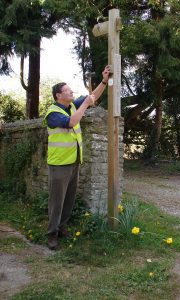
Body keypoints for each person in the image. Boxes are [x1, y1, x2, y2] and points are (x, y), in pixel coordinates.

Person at [44, 66, 110, 250]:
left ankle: (62, 227)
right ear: (58, 95)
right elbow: (72, 122)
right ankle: (52, 235)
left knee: (69, 198)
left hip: (73, 162)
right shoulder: (53, 113)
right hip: (59, 165)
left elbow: (93, 97)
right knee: (57, 201)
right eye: (67, 90)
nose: (72, 91)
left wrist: (104, 81)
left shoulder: (72, 105)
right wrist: (86, 104)